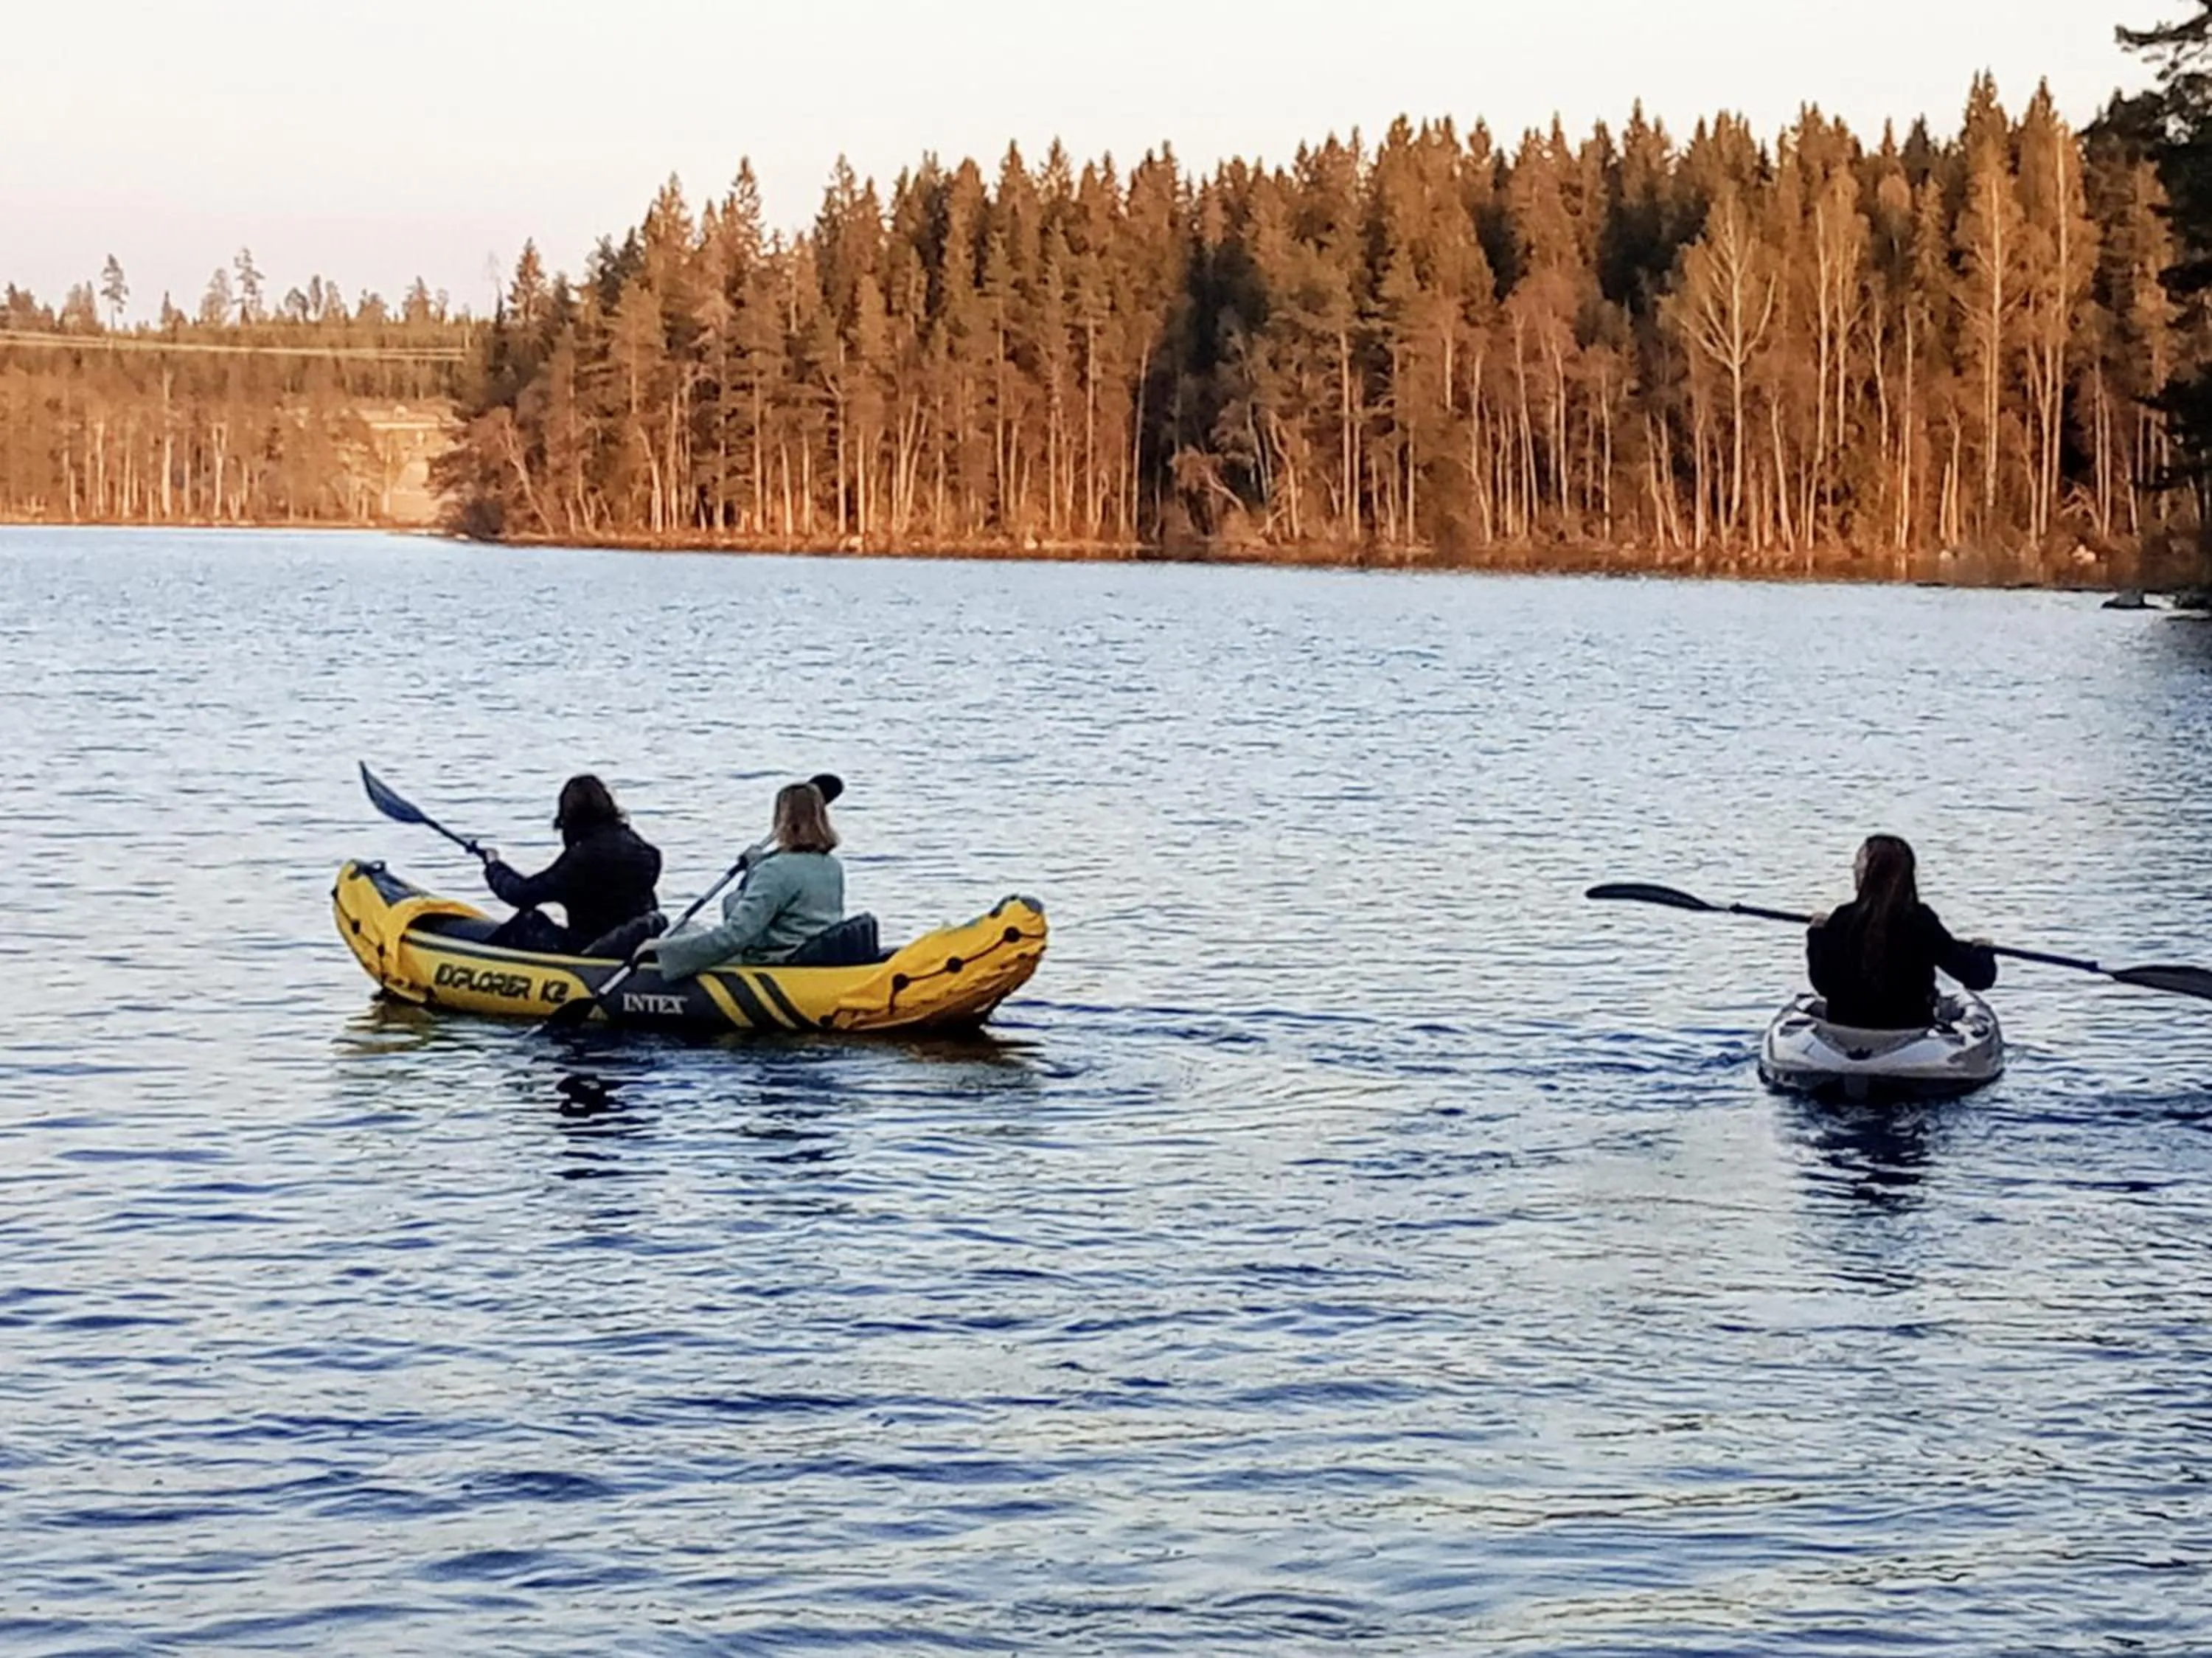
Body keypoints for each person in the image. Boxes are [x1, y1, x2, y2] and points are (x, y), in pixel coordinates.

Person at [641, 780, 844, 979]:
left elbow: (735, 936)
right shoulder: (831, 865)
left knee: (679, 934)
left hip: (771, 960)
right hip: (806, 952)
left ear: (781, 820)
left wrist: (662, 950)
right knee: (690, 930)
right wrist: (756, 865)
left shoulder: (775, 870)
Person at [1806, 833, 1996, 1030]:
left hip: (1845, 1029)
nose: (1853, 867)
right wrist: (1983, 951)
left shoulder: (1842, 918)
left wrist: (1817, 934)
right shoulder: (1921, 921)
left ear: (1869, 872)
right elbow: (1979, 978)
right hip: (1909, 1030)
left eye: (1859, 861)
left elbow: (1823, 983)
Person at [481, 774, 663, 955]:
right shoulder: (640, 848)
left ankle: (482, 959)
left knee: (529, 921)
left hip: (591, 948)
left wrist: (494, 866)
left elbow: (522, 894)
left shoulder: (583, 859)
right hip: (633, 943)